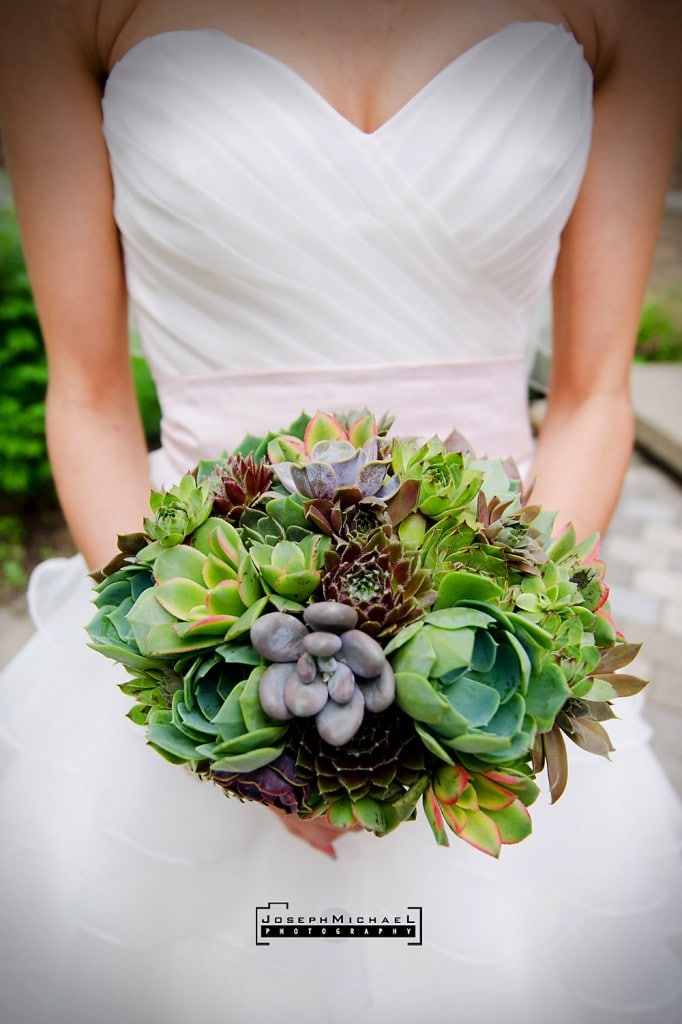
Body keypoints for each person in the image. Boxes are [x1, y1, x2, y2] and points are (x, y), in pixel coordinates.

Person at [0, 0, 680, 1021]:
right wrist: (213, 692)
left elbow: (592, 392)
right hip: (198, 642)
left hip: (488, 673)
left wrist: (508, 662)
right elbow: (89, 394)